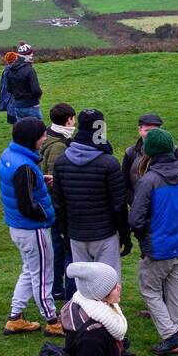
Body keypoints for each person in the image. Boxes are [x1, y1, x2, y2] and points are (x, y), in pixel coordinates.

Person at [129, 128, 178, 356]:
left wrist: (144, 235)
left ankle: (170, 336)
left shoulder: (149, 180)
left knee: (149, 290)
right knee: (175, 289)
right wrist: (177, 222)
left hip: (156, 248)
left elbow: (135, 219)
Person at [0, 117, 61, 336]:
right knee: (43, 275)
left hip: (18, 228)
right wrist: (47, 213)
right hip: (32, 229)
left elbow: (20, 188)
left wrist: (39, 180)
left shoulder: (9, 156)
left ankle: (15, 317)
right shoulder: (24, 166)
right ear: (31, 138)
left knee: (30, 270)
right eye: (42, 135)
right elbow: (26, 205)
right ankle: (53, 321)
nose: (44, 139)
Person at [51, 108, 130, 281]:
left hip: (77, 234)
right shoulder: (108, 163)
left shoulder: (61, 162)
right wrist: (125, 234)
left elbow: (59, 203)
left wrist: (65, 232)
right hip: (104, 234)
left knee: (85, 284)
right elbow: (118, 204)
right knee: (109, 283)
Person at [39, 103, 76, 303]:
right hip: (57, 206)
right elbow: (54, 178)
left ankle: (56, 287)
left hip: (53, 205)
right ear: (69, 119)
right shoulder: (59, 146)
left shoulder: (52, 137)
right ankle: (57, 288)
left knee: (58, 246)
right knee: (60, 247)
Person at [122, 113, 178, 196]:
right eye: (147, 130)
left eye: (155, 130)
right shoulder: (130, 152)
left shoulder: (174, 151)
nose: (151, 134)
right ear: (139, 130)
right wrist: (136, 202)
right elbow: (125, 184)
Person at [4, 43, 43, 121]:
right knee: (37, 131)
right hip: (31, 105)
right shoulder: (29, 70)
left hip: (18, 106)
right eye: (30, 53)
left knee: (23, 130)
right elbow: (36, 90)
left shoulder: (10, 70)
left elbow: (9, 89)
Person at [0, 51, 19, 125]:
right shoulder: (11, 71)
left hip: (10, 104)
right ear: (14, 60)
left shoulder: (5, 70)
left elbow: (2, 89)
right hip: (14, 103)